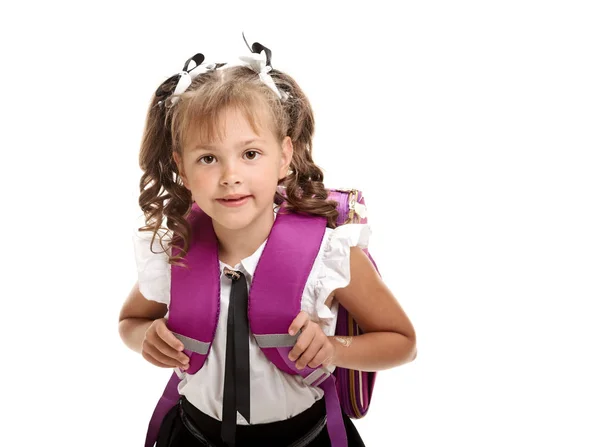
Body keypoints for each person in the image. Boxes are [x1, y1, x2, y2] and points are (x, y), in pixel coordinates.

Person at [118, 38, 417, 447]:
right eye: (208, 158)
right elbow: (129, 322)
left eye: (251, 153)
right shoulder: (178, 250)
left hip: (306, 439)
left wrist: (332, 347)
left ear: (284, 157)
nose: (230, 175)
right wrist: (146, 336)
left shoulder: (326, 253)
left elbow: (403, 342)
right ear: (182, 170)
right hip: (192, 436)